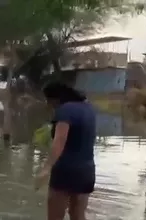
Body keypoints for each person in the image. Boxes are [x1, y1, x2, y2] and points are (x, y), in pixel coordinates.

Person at [35, 82, 96, 220]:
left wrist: (46, 168)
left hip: (65, 170)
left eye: (48, 101)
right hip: (87, 171)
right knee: (78, 215)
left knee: (55, 217)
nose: (48, 105)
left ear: (55, 99)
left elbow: (59, 141)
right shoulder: (89, 108)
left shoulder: (64, 111)